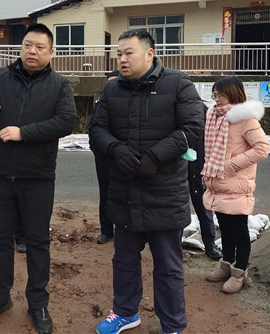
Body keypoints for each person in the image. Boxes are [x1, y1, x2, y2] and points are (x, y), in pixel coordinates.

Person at [0, 23, 77, 334]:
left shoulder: (60, 85)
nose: (32, 51)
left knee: (38, 242)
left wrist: (23, 133)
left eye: (39, 47)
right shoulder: (0, 78)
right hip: (0, 175)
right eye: (27, 45)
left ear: (51, 52)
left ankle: (38, 303)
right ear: (21, 47)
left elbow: (66, 121)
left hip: (38, 177)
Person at [89, 29, 205, 334]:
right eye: (119, 54)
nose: (122, 59)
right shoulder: (112, 90)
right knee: (124, 260)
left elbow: (193, 128)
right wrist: (115, 149)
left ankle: (173, 325)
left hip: (164, 192)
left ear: (149, 53)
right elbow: (96, 130)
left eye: (129, 52)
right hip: (125, 191)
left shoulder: (178, 84)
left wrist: (155, 156)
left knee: (168, 266)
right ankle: (125, 312)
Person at [202, 77, 270, 294]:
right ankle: (226, 265)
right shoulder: (214, 117)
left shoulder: (245, 119)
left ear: (232, 93)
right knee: (225, 229)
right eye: (214, 95)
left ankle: (239, 272)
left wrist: (231, 165)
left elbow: (262, 148)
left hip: (237, 184)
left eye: (220, 95)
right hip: (219, 183)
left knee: (239, 231)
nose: (216, 99)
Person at [188, 104, 222, 260]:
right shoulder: (171, 107)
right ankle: (171, 246)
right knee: (175, 209)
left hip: (199, 167)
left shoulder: (203, 110)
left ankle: (210, 245)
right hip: (178, 168)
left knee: (204, 209)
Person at [90, 70, 119, 245]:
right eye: (109, 83)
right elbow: (93, 129)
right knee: (105, 193)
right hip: (103, 156)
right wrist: (96, 149)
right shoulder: (100, 104)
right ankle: (106, 230)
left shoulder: (128, 102)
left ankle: (124, 230)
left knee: (124, 194)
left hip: (123, 157)